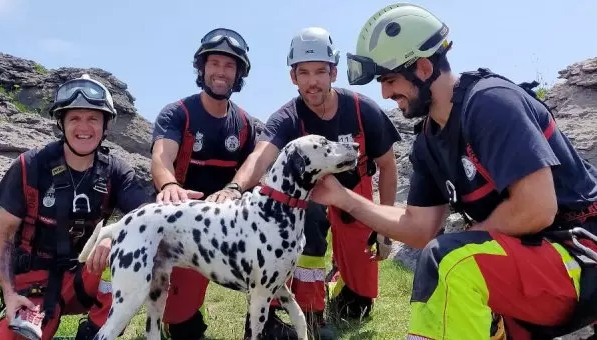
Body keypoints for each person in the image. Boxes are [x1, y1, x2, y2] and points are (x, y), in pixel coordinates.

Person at [307, 3, 597, 339]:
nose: (385, 93)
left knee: (451, 261)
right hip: (530, 261)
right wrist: (342, 198)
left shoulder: (490, 103)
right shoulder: (428, 141)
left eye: (389, 79)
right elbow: (419, 229)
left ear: (424, 67)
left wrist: (463, 243)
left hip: (580, 252)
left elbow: (537, 207)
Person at [206, 26, 402, 338]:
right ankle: (308, 309)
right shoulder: (286, 117)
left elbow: (388, 167)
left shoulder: (363, 110)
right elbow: (260, 156)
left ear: (334, 73)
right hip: (311, 196)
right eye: (304, 72)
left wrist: (385, 228)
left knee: (359, 306)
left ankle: (342, 285)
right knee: (306, 217)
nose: (313, 81)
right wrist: (234, 188)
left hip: (355, 194)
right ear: (293, 77)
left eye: (321, 72)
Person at [150, 28, 289, 340]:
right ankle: (182, 318)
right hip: (183, 221)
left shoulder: (247, 125)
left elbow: (256, 168)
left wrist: (236, 192)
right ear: (202, 68)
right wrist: (169, 185)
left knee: (278, 234)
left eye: (229, 66)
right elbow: (161, 157)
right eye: (214, 64)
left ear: (239, 74)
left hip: (229, 222)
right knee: (181, 322)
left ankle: (268, 318)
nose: (221, 72)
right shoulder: (177, 113)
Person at [0, 74, 151, 339]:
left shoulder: (116, 172)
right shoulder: (30, 166)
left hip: (82, 276)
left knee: (127, 293)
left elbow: (146, 218)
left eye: (93, 118)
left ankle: (92, 335)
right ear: (61, 123)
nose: (84, 127)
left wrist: (112, 237)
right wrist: (9, 294)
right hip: (33, 282)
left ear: (105, 125)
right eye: (75, 118)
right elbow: (2, 235)